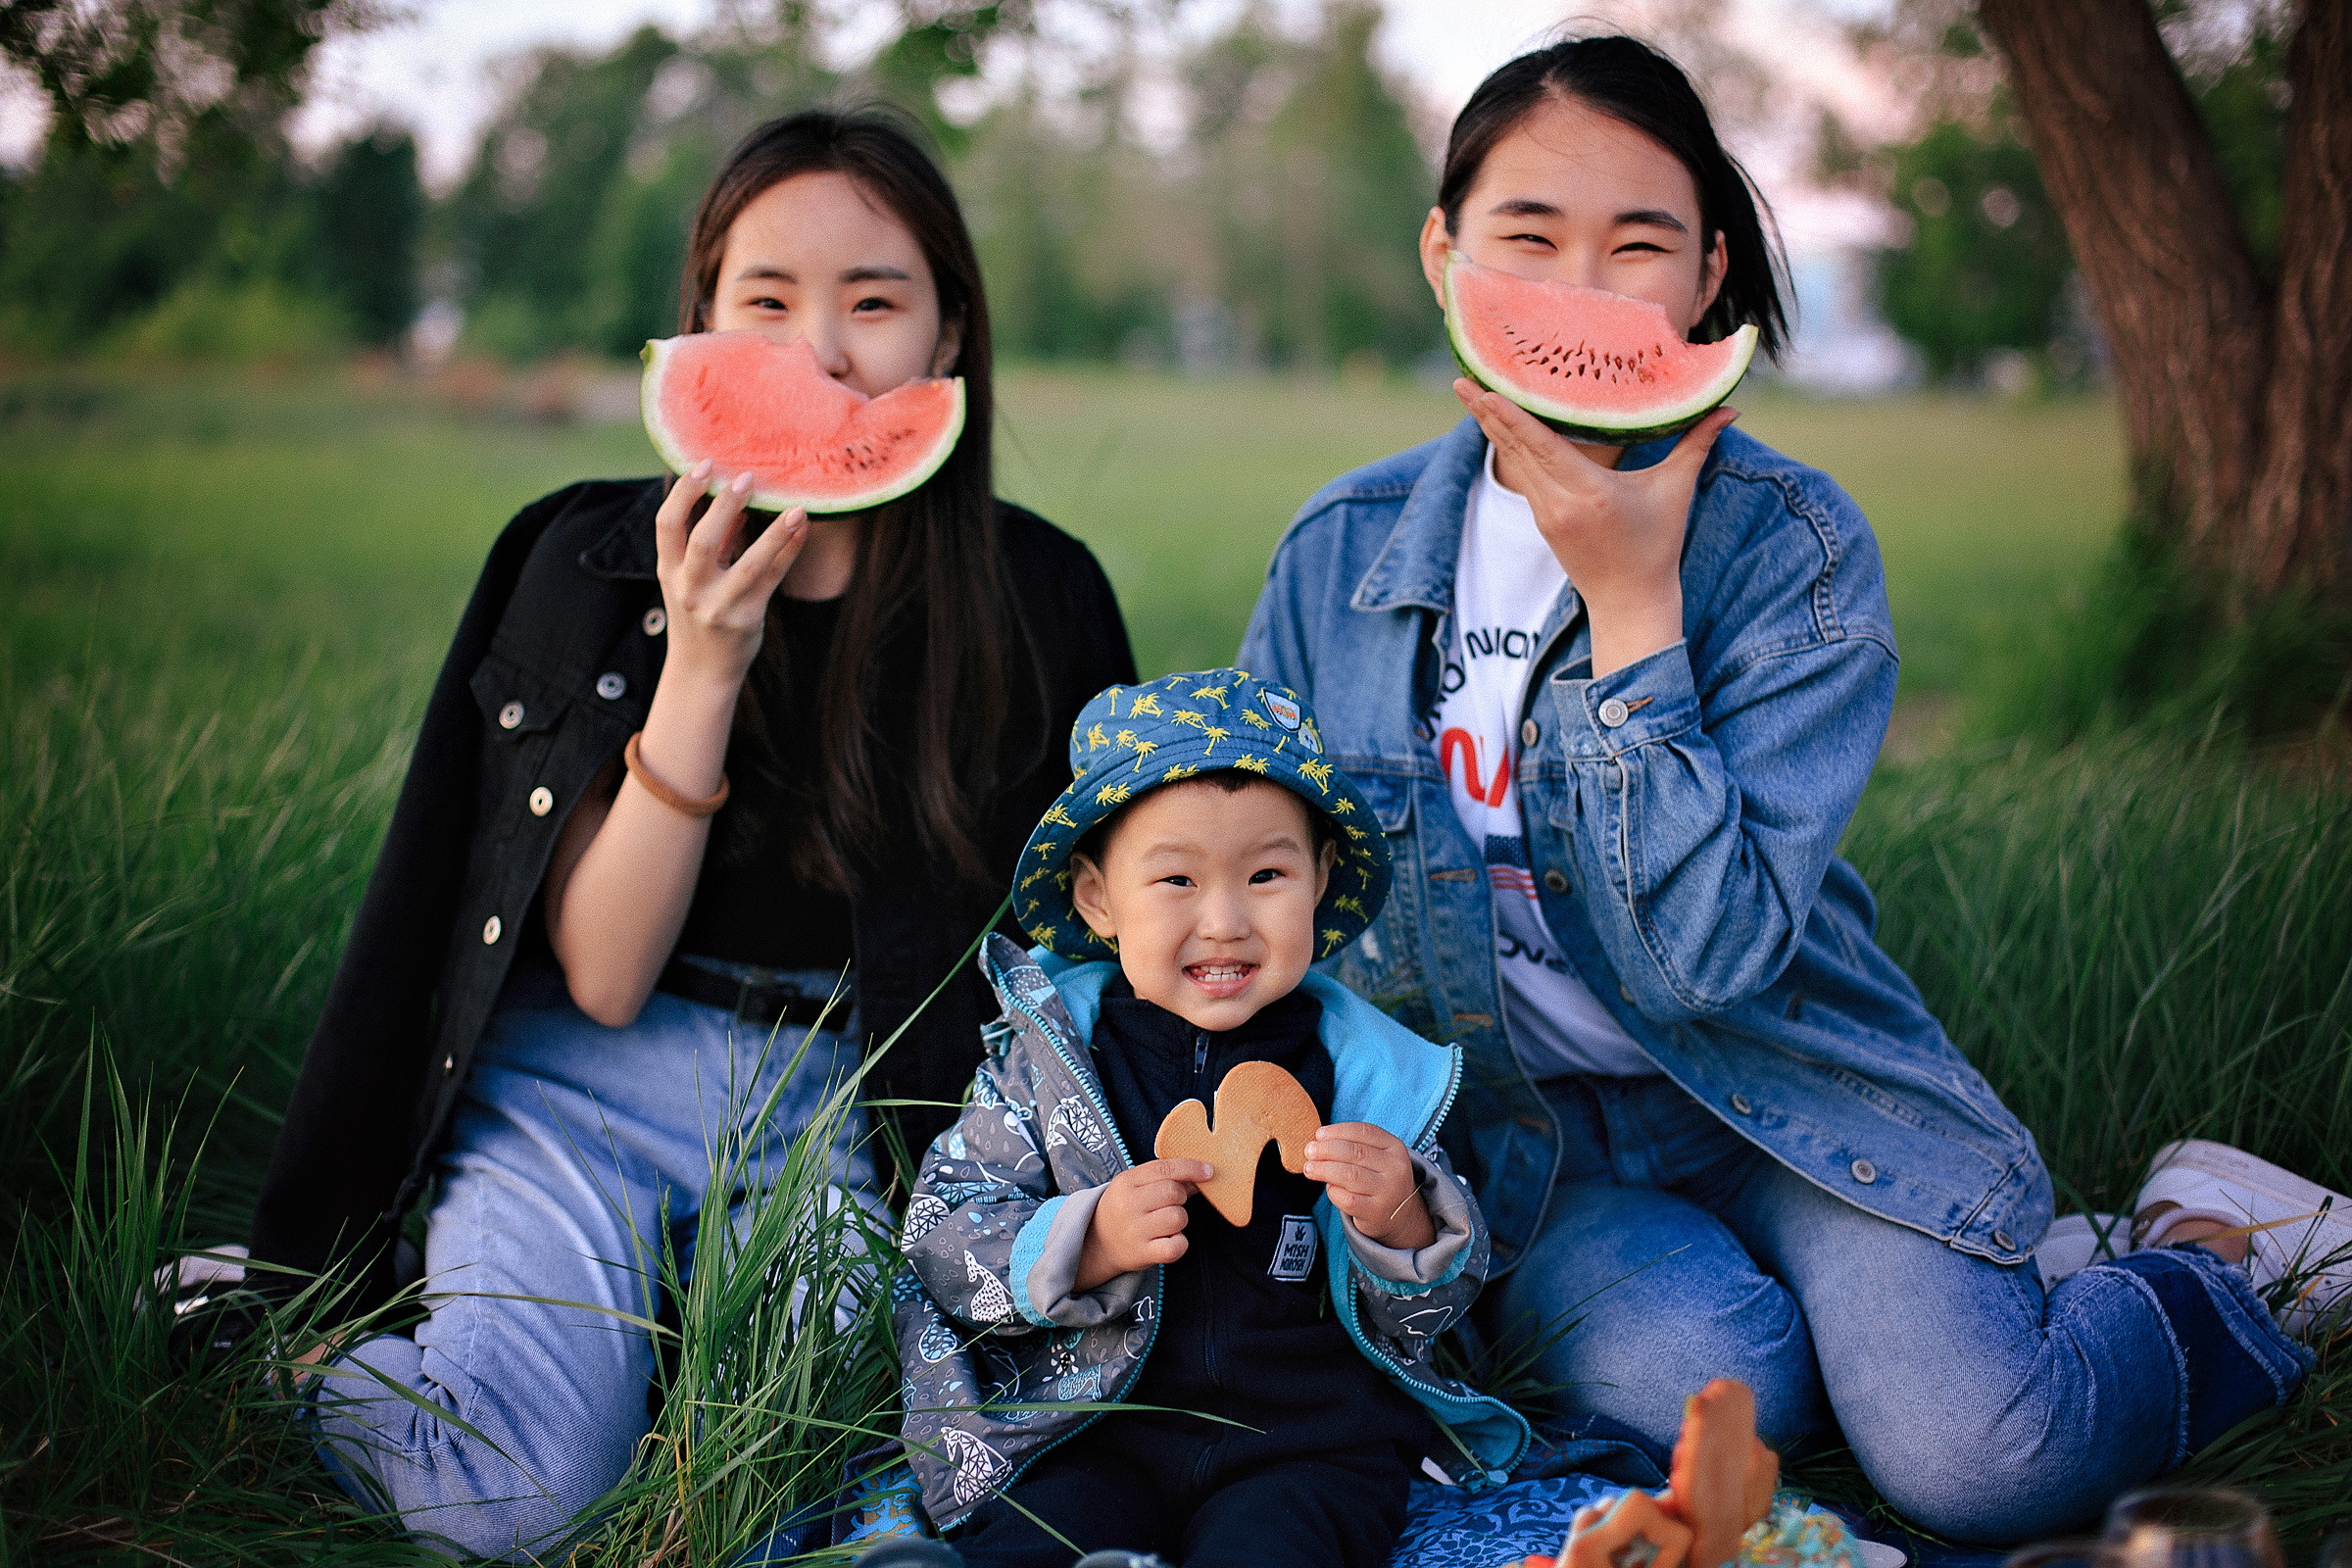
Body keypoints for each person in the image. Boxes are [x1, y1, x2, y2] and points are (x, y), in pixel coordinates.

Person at [1238, 34, 2345, 1544]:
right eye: (1527, 239)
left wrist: (1634, 616)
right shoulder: (1335, 556)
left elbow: (1703, 965)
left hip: (1787, 1089)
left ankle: (2208, 1249)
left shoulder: (1791, 553)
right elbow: (1267, 885)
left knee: (1979, 1466)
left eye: (1638, 246)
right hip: (1530, 1147)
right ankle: (1976, 1290)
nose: (1579, 293)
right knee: (1709, 1388)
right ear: (1445, 257)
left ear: (1706, 281)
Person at [236, 108, 1135, 1558]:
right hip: (584, 1085)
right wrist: (703, 663)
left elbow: (1091, 948)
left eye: (875, 302)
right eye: (767, 302)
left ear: (950, 337)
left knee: (830, 1485)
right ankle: (274, 1344)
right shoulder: (581, 561)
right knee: (506, 1507)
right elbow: (599, 976)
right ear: (702, 327)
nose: (822, 353)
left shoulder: (1038, 601)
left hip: (858, 1109)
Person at [882, 667, 1528, 1568]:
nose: (1224, 921)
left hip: (1306, 1442)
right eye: (1177, 880)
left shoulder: (1370, 1075)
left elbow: (1436, 1314)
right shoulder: (1044, 1066)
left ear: (1320, 878)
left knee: (1277, 1549)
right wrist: (1089, 1241)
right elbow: (942, 1242)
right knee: (1039, 1541)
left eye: (1267, 873)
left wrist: (1404, 1222)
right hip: (1089, 1428)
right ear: (1098, 898)